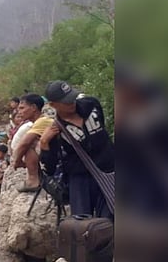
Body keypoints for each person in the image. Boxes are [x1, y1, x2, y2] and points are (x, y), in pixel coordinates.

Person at [40, 80, 114, 219]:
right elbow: (49, 168)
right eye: (66, 102)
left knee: (110, 221)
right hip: (81, 180)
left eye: (72, 98)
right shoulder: (56, 130)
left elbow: (102, 129)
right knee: (82, 224)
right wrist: (44, 143)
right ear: (53, 105)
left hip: (109, 170)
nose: (72, 103)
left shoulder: (92, 105)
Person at [12, 93, 53, 191]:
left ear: (34, 107)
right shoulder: (38, 122)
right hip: (52, 153)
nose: (19, 112)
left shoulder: (43, 121)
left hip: (57, 156)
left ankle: (33, 181)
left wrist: (17, 161)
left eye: (22, 108)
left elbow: (24, 144)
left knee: (29, 146)